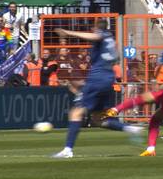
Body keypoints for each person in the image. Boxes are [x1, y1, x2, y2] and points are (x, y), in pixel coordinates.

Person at [52, 20, 142, 158]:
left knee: (75, 113)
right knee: (97, 119)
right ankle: (130, 128)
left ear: (95, 28)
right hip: (107, 80)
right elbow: (116, 57)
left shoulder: (101, 36)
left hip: (97, 79)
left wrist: (67, 32)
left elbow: (96, 37)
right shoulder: (111, 40)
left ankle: (67, 150)